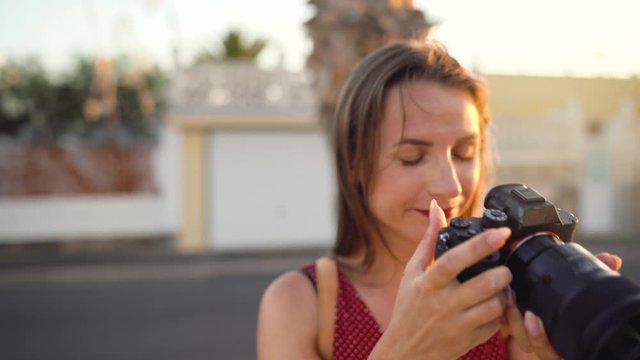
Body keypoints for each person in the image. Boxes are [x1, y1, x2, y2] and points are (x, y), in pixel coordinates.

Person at [256, 39, 622, 359]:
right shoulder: (302, 303)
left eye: (464, 153)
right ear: (355, 163)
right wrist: (405, 350)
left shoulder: (507, 286)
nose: (449, 186)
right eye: (411, 158)